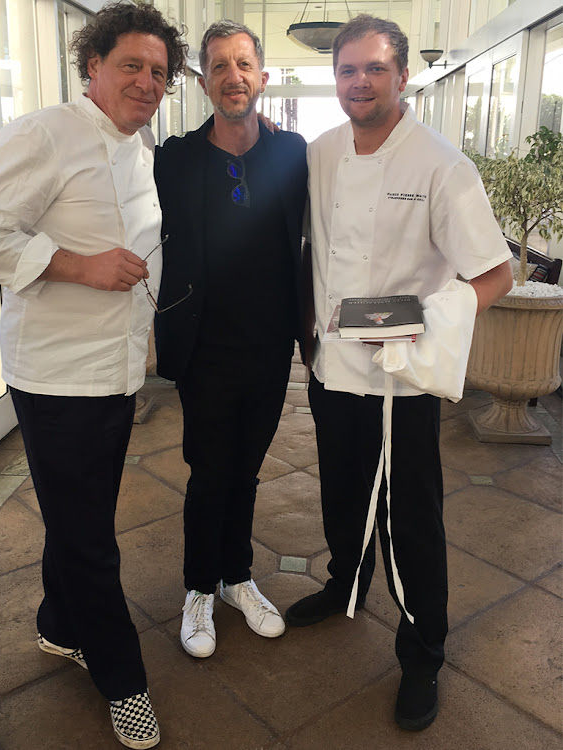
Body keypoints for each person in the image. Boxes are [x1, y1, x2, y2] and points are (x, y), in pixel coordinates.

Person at [0, 4, 187, 747]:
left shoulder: (138, 146)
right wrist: (75, 265)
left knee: (79, 517)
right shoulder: (45, 134)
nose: (147, 83)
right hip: (55, 377)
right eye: (132, 66)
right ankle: (123, 680)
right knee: (89, 538)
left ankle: (60, 625)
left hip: (114, 372)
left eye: (159, 72)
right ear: (93, 64)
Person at [285, 14, 513, 732]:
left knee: (409, 519)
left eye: (374, 69)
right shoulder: (320, 153)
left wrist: (426, 324)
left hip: (401, 379)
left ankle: (422, 652)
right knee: (341, 491)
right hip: (331, 367)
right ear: (336, 79)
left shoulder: (442, 164)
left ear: (402, 75)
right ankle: (343, 582)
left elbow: (495, 274)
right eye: (348, 70)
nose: (360, 82)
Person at [153, 21, 308, 658]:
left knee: (246, 469)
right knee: (209, 469)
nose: (232, 76)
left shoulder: (293, 151)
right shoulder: (177, 156)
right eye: (219, 65)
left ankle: (237, 576)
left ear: (262, 78)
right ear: (203, 80)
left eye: (243, 64)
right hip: (205, 347)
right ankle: (198, 588)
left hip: (270, 346)